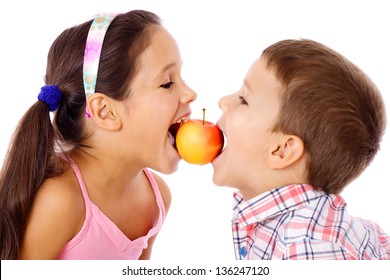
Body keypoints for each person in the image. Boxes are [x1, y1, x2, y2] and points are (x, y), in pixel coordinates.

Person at [0, 10, 196, 260]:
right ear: (105, 112)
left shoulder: (156, 199)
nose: (190, 93)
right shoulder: (59, 202)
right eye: (167, 83)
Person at [212, 39, 390, 260]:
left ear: (282, 150)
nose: (223, 101)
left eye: (243, 100)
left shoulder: (308, 248)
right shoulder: (281, 225)